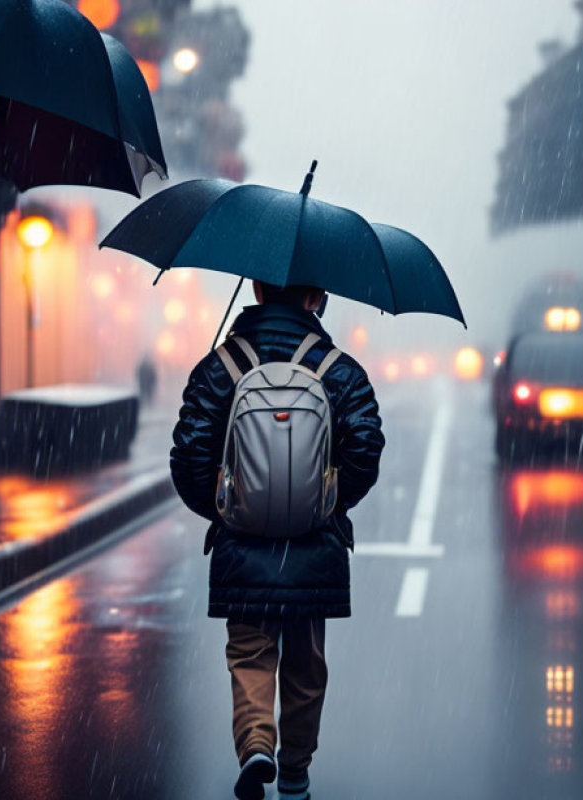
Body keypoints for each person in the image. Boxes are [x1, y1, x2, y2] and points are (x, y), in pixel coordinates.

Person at [170, 280, 385, 800]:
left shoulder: (221, 366)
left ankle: (256, 744)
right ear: (317, 297)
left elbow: (188, 454)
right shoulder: (339, 370)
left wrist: (227, 510)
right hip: (315, 547)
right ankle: (294, 773)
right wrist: (327, 505)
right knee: (306, 666)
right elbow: (366, 448)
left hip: (242, 547)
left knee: (248, 653)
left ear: (258, 291)